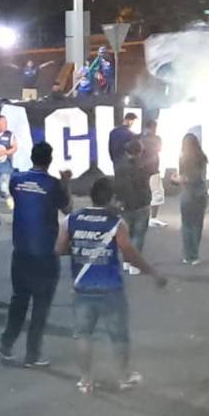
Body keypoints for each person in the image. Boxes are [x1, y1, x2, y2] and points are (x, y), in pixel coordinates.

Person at [55, 177, 166, 394]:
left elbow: (59, 249)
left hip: (82, 288)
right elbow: (129, 254)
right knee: (118, 335)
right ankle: (123, 377)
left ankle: (85, 380)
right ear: (112, 198)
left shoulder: (70, 220)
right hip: (110, 289)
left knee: (83, 334)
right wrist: (153, 273)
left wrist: (81, 248)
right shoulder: (116, 223)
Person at [0, 142, 72, 367]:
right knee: (41, 304)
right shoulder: (53, 184)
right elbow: (67, 209)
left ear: (31, 157)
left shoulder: (17, 180)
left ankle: (6, 344)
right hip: (45, 253)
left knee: (19, 300)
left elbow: (14, 197)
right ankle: (32, 354)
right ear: (49, 160)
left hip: (21, 251)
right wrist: (66, 183)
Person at [113, 139, 151, 275]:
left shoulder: (119, 166)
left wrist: (118, 200)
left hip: (125, 204)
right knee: (139, 234)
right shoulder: (144, 166)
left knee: (127, 234)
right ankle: (135, 264)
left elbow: (117, 185)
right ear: (140, 151)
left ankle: (126, 261)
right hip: (142, 203)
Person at [173, 134, 208, 264]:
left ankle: (188, 255)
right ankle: (195, 255)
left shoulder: (183, 158)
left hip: (187, 194)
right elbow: (197, 177)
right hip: (200, 194)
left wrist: (175, 179)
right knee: (197, 225)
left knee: (187, 225)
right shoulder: (202, 158)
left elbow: (186, 178)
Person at [141, 120, 167, 228]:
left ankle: (146, 218)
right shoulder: (156, 139)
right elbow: (159, 149)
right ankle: (152, 218)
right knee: (157, 194)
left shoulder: (140, 139)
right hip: (152, 170)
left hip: (142, 171)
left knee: (147, 194)